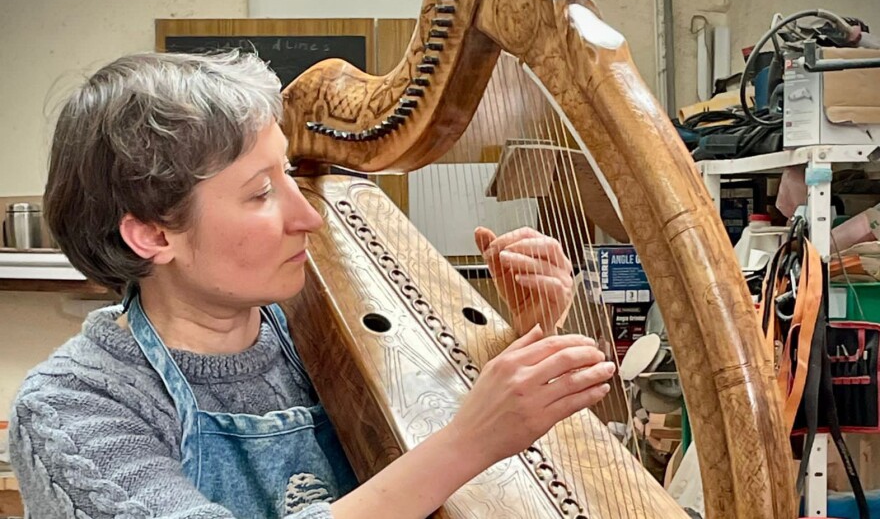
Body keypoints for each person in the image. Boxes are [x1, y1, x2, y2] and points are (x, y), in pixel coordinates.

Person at [9, 50, 615, 519]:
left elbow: (445, 438)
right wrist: (466, 442)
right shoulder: (75, 406)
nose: (310, 217)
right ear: (153, 236)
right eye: (261, 192)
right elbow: (454, 448)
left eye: (288, 173)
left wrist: (525, 331)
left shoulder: (325, 326)